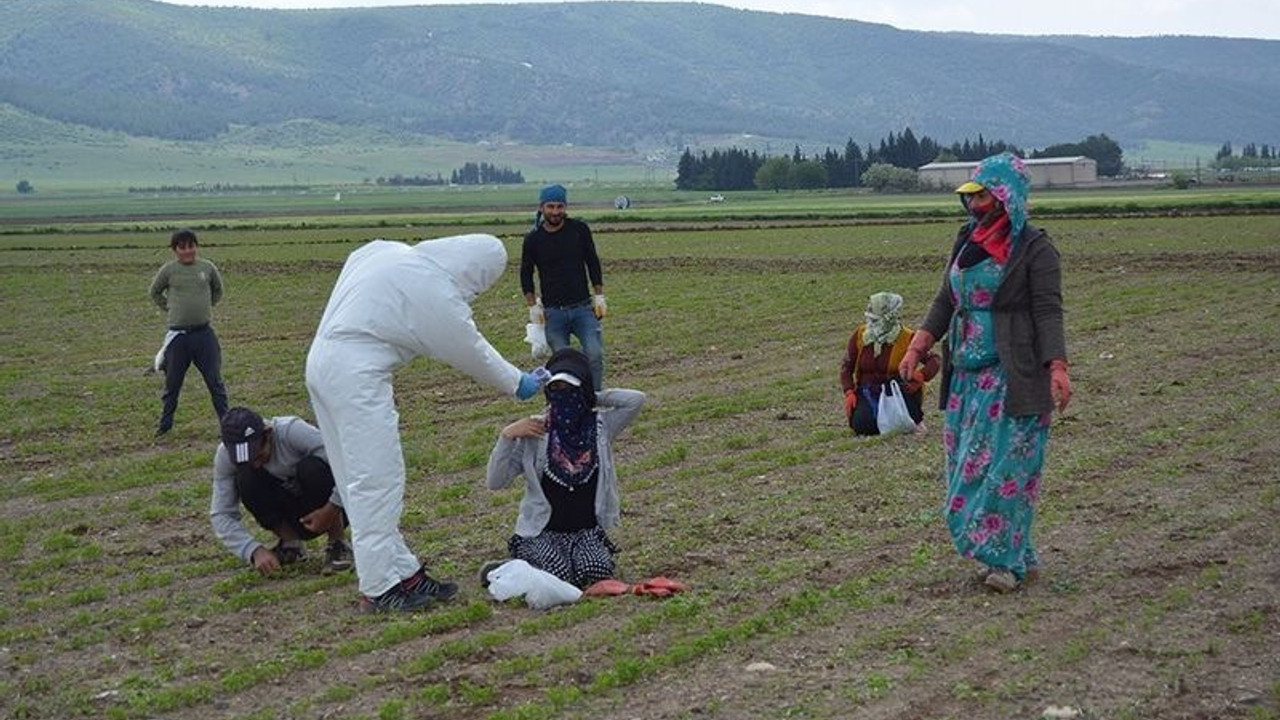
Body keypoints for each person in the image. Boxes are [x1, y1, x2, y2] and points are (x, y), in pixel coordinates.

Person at [305, 233, 547, 614]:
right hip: (357, 375)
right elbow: (470, 349)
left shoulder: (384, 251)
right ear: (475, 272)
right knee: (378, 481)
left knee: (356, 477)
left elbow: (359, 266)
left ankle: (404, 571)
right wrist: (518, 382)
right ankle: (378, 587)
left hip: (321, 362)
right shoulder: (433, 291)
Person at [898, 153, 1072, 594]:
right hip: (967, 377)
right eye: (970, 197)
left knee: (1006, 469)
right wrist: (920, 342)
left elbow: (1048, 312)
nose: (975, 206)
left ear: (1005, 197)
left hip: (1014, 375)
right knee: (967, 468)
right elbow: (946, 299)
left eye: (983, 197)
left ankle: (1004, 565)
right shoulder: (966, 240)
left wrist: (1058, 366)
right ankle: (1019, 555)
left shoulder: (1035, 249)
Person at [484, 348, 645, 589]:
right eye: (555, 389)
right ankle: (507, 569)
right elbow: (495, 481)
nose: (563, 396)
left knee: (595, 572)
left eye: (570, 390)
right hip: (542, 532)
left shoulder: (600, 427)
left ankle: (531, 567)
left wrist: (592, 397)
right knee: (555, 574)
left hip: (585, 531)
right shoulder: (535, 431)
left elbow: (635, 400)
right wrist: (506, 436)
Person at [211, 406, 352, 575]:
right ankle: (291, 544)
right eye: (246, 459)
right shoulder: (225, 456)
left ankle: (338, 543)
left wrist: (331, 508)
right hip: (291, 513)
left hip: (335, 506)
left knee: (312, 468)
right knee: (246, 477)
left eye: (258, 455)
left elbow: (346, 467)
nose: (255, 463)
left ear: (268, 434)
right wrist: (253, 551)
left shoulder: (292, 432)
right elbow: (221, 514)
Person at [520, 184, 607, 391]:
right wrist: (532, 307)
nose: (556, 212)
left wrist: (599, 296)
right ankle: (574, 401)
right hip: (553, 313)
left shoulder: (579, 230)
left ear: (565, 207)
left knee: (595, 355)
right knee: (565, 363)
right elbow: (526, 273)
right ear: (541, 208)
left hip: (583, 308)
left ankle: (593, 398)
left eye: (560, 207)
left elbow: (592, 262)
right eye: (551, 207)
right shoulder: (533, 239)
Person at [148, 228, 229, 436]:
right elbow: (154, 292)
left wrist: (206, 306)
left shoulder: (207, 268)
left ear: (196, 247)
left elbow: (218, 290)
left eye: (191, 246)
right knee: (172, 384)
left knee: (215, 382)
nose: (187, 251)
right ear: (175, 250)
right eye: (182, 247)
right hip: (178, 337)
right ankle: (165, 427)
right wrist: (170, 308)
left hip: (204, 335)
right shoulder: (169, 270)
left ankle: (227, 424)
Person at [840, 291, 941, 436]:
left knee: (901, 423)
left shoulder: (908, 337)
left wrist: (920, 376)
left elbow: (935, 360)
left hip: (899, 392)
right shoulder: (860, 336)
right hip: (868, 391)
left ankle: (912, 418)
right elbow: (846, 366)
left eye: (876, 319)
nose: (871, 323)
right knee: (862, 426)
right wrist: (849, 392)